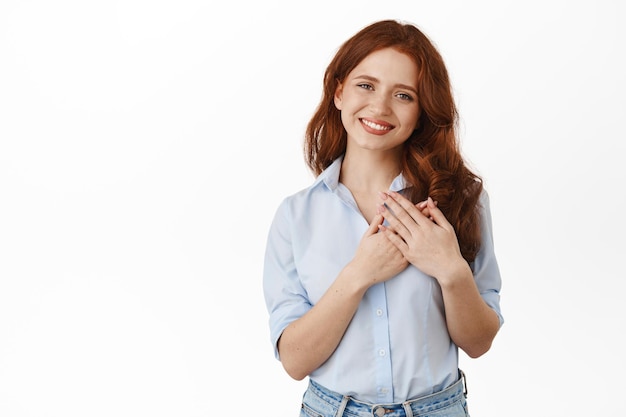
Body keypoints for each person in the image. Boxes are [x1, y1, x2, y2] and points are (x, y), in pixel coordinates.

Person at [263, 19, 503, 417]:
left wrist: (451, 270)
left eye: (404, 95)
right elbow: (294, 361)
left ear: (423, 109)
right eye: (366, 85)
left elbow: (478, 343)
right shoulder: (296, 216)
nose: (379, 107)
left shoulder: (461, 200)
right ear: (339, 91)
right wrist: (359, 273)